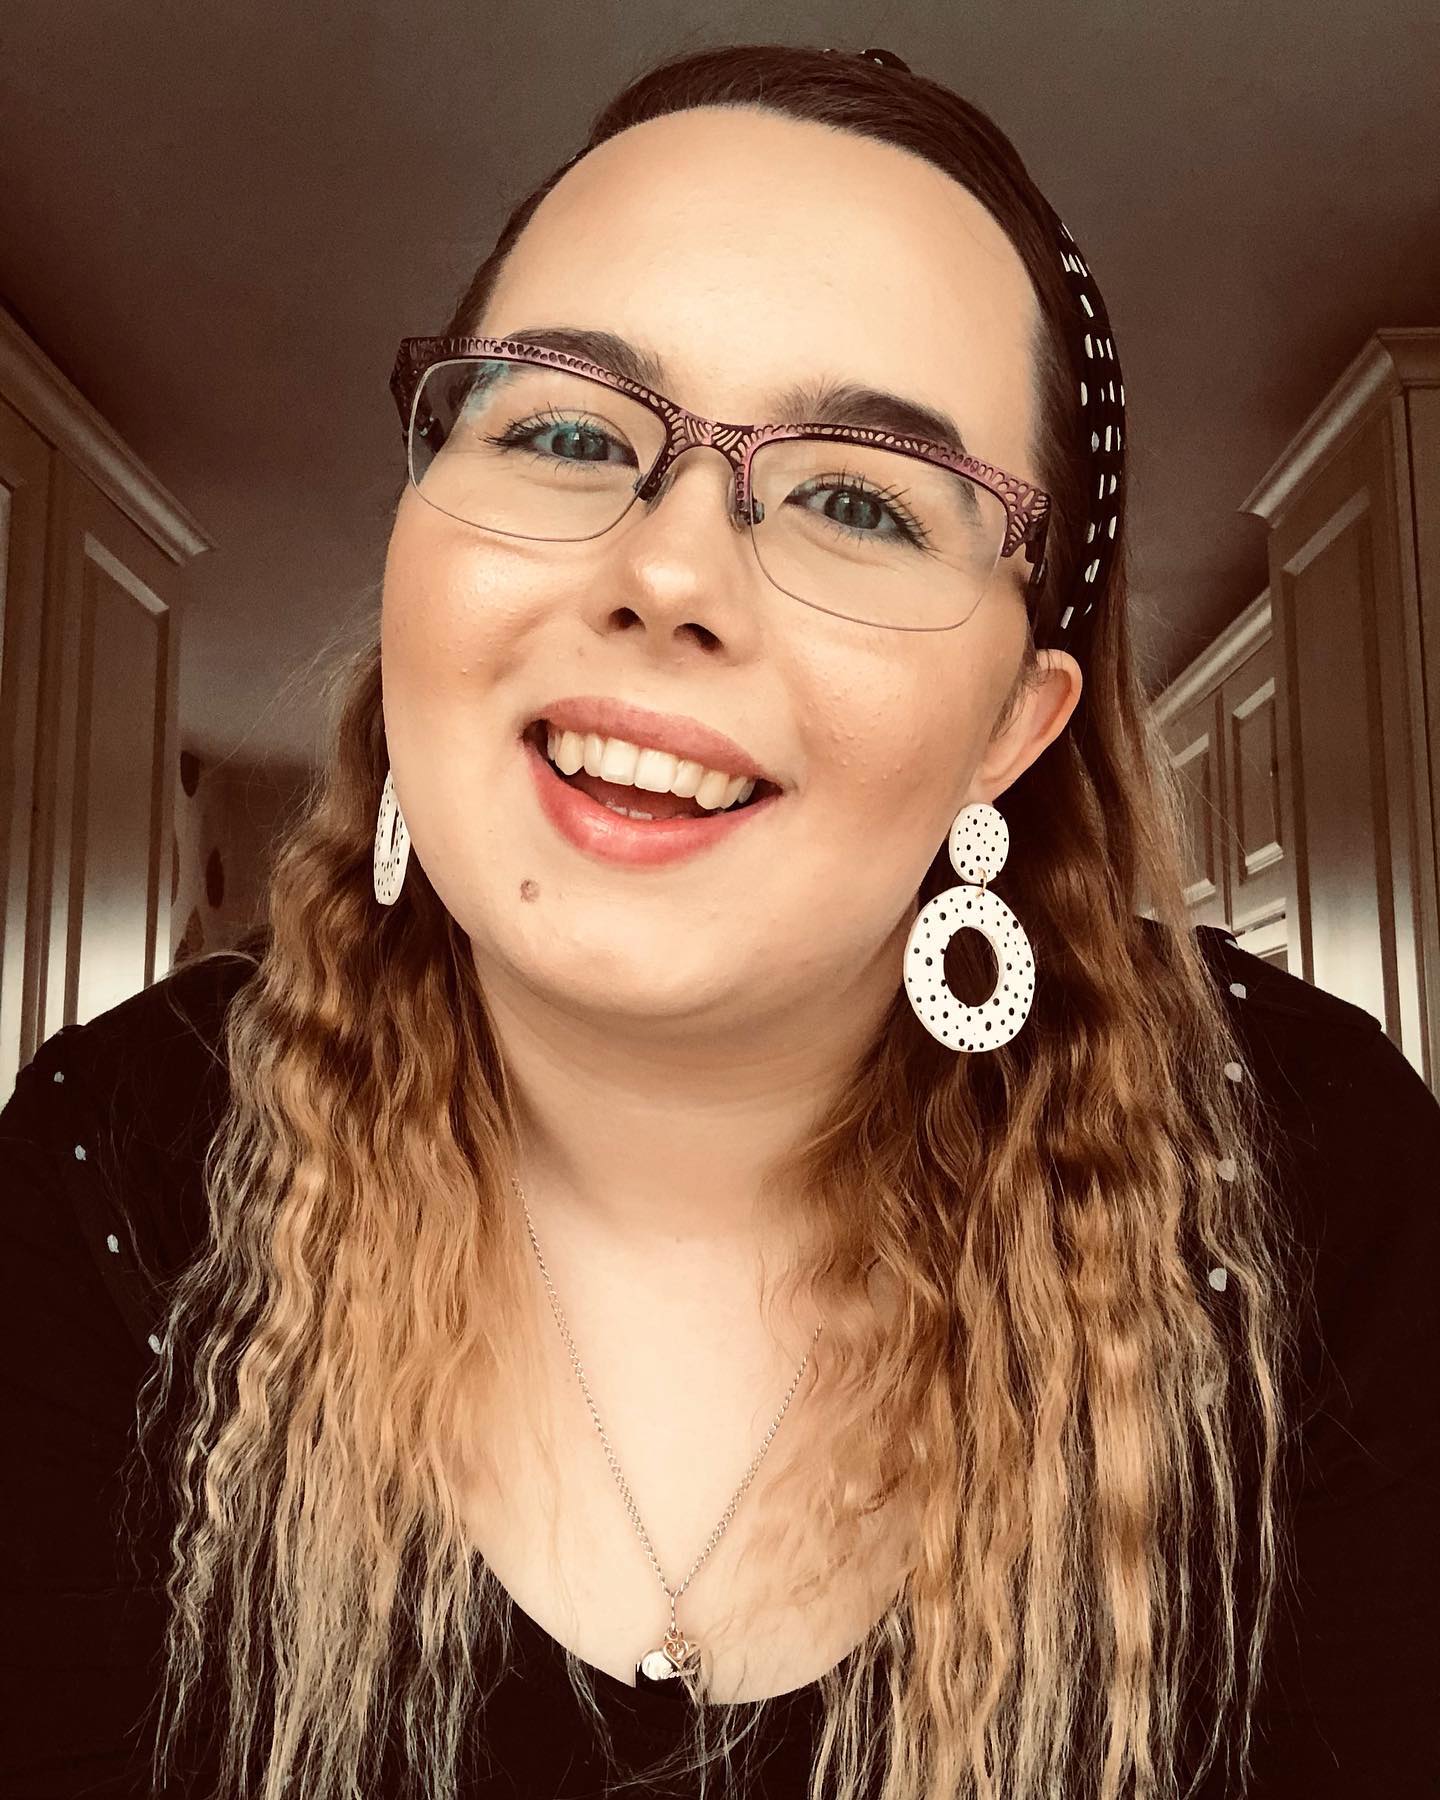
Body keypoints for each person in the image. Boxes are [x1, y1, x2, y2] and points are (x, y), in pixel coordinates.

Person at [2, 38, 1436, 1800]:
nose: (669, 572)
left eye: (858, 499)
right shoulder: (112, 1184)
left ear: (1013, 725)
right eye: (563, 428)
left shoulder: (1321, 1193)